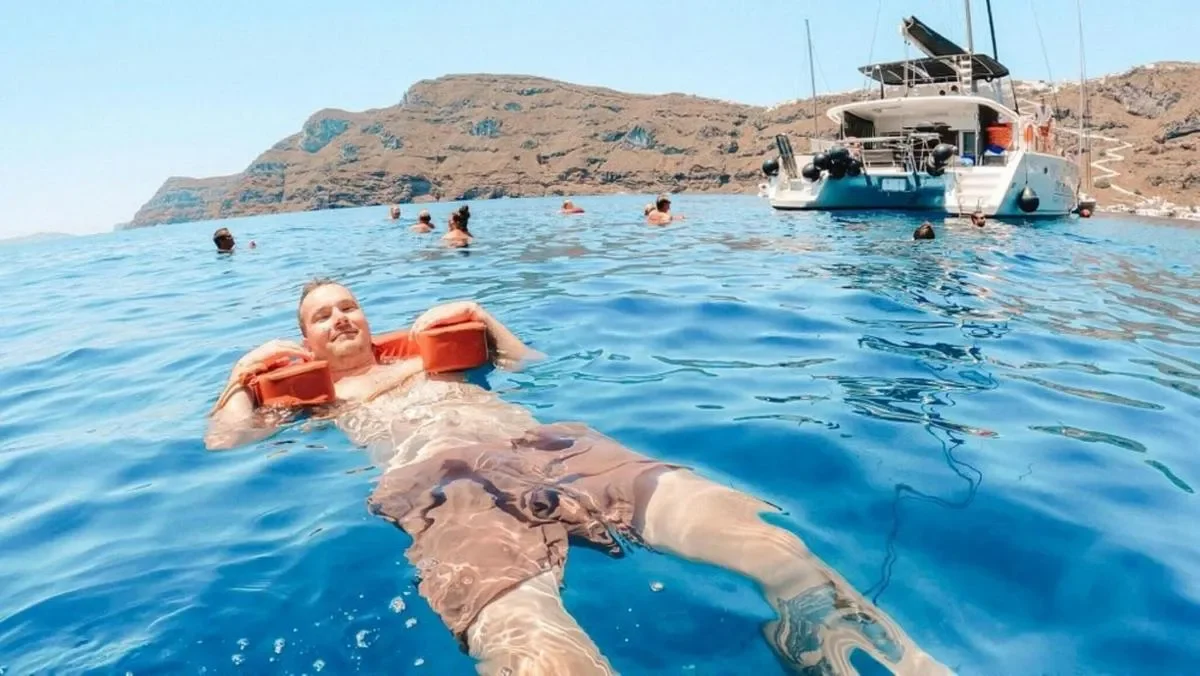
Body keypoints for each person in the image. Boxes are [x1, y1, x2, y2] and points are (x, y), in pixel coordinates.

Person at [204, 279, 951, 676]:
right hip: (440, 485)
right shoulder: (324, 401)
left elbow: (529, 364)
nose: (340, 319)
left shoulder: (431, 356)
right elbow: (223, 445)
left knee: (755, 535)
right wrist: (239, 380)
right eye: (322, 316)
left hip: (552, 445)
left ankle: (846, 649)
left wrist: (482, 317)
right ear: (304, 341)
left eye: (348, 306)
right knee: (528, 641)